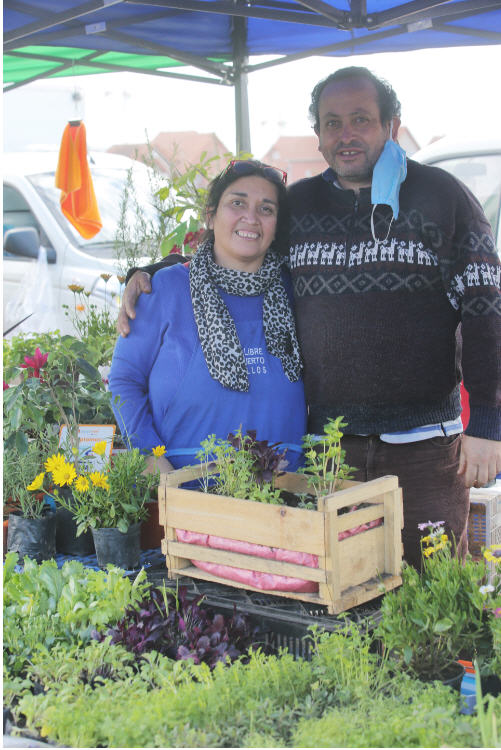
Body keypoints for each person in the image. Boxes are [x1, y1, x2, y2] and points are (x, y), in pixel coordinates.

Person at [117, 67, 501, 569]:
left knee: (431, 589)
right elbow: (238, 246)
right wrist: (151, 272)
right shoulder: (298, 206)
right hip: (325, 450)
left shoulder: (442, 197)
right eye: (332, 122)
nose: (346, 134)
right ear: (317, 134)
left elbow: (485, 308)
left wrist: (489, 425)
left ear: (391, 124)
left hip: (423, 448)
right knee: (338, 589)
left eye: (360, 119)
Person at [109, 159, 306, 477]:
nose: (251, 217)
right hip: (186, 489)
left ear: (276, 226)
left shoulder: (296, 287)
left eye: (266, 209)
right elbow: (124, 380)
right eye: (237, 202)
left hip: (286, 489)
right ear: (211, 216)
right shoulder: (165, 287)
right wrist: (149, 456)